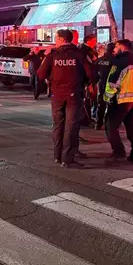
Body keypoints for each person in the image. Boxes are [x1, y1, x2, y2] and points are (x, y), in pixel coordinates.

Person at [37, 29, 93, 169]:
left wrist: (50, 79)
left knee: (58, 125)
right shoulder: (80, 55)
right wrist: (83, 81)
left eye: (56, 38)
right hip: (74, 94)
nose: (55, 41)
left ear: (62, 39)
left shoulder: (52, 56)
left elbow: (40, 74)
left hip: (57, 95)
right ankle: (68, 159)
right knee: (71, 127)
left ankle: (57, 156)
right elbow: (92, 75)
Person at [103, 39, 133, 164]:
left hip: (121, 99)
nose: (114, 50)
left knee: (110, 127)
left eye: (116, 47)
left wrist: (107, 98)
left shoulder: (119, 61)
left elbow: (112, 83)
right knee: (132, 127)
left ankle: (119, 152)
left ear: (122, 47)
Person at [79, 34, 98, 127]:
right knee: (87, 100)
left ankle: (87, 118)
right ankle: (85, 119)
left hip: (90, 79)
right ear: (89, 41)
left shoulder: (88, 50)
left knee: (89, 100)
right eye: (94, 40)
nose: (96, 42)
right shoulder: (85, 51)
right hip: (87, 80)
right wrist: (89, 81)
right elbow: (88, 67)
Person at [94, 43, 115, 130]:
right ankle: (109, 124)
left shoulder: (99, 60)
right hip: (110, 85)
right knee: (110, 104)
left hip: (100, 83)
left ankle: (98, 123)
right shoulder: (115, 60)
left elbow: (94, 72)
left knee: (100, 104)